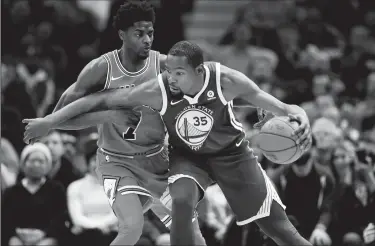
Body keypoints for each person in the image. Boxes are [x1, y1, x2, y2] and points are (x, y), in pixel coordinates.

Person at [24, 41, 313, 245]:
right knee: (182, 200)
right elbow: (97, 100)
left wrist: (303, 121)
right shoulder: (157, 89)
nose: (170, 78)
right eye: (168, 71)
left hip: (232, 154)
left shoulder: (227, 80)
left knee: (280, 231)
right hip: (187, 157)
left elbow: (286, 108)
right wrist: (51, 121)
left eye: (178, 73)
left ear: (200, 71)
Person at [29, 2, 205, 245]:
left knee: (191, 233)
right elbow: (61, 118)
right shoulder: (101, 69)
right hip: (117, 163)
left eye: (150, 33)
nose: (147, 40)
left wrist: (255, 103)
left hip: (156, 160)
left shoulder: (165, 65)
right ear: (122, 35)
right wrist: (107, 115)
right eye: (139, 33)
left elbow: (210, 88)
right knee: (132, 228)